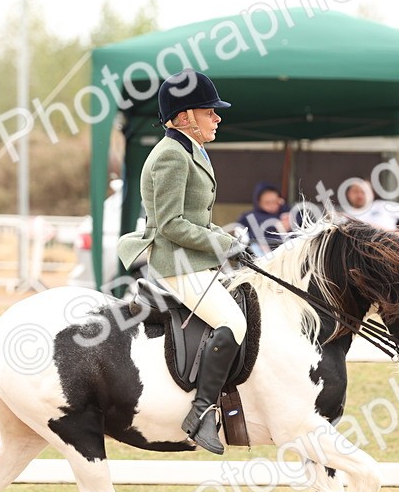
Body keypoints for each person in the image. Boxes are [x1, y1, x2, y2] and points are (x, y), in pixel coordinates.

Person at [116, 68, 247, 455]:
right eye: (210, 111)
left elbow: (199, 219)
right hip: (173, 261)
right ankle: (201, 412)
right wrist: (223, 244)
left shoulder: (191, 149)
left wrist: (228, 238)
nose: (218, 117)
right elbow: (172, 225)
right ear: (184, 116)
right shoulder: (171, 156)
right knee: (232, 321)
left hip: (193, 257)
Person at [235, 181, 291, 255]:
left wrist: (285, 209)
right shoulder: (249, 216)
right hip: (260, 254)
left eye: (275, 202)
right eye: (267, 202)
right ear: (258, 202)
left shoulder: (284, 215)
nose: (271, 205)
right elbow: (239, 232)